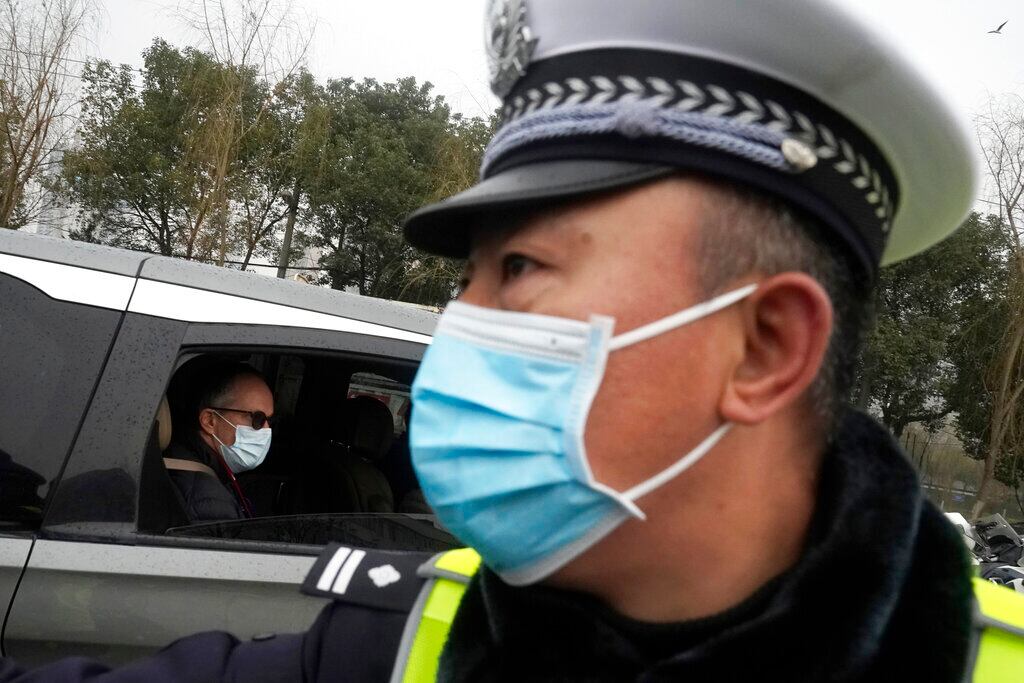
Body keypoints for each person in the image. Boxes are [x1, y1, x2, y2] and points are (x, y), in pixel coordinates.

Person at [3, 1, 1024, 680]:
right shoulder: (406, 638)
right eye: (466, 281)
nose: (461, 328)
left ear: (763, 345)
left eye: (521, 270)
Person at [165, 358, 274, 521]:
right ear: (210, 420)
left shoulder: (186, 452)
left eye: (270, 419)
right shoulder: (211, 504)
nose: (266, 429)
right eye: (257, 419)